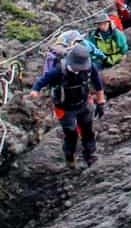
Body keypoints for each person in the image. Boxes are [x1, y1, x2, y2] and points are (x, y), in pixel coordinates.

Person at [32, 35, 105, 170]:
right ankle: (70, 158)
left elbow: (98, 83)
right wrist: (35, 90)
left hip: (84, 103)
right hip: (65, 109)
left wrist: (101, 102)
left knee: (88, 131)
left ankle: (91, 156)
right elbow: (43, 80)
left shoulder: (90, 67)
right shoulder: (60, 70)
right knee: (71, 135)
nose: (80, 69)